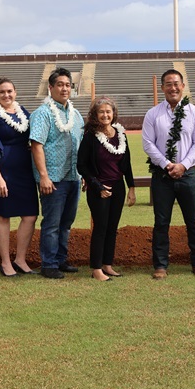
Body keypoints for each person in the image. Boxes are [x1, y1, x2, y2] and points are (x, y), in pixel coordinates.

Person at [142, 69, 195, 279]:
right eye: (169, 84)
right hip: (162, 176)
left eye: (176, 83)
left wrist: (183, 165)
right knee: (161, 222)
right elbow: (148, 144)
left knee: (194, 220)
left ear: (182, 86)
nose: (173, 88)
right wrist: (167, 164)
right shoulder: (153, 114)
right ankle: (160, 265)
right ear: (163, 88)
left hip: (187, 174)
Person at [0, 78, 39, 277]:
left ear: (15, 92)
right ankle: (5, 263)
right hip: (1, 170)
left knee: (30, 215)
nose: (6, 95)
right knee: (3, 215)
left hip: (23, 170)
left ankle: (20, 259)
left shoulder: (23, 112)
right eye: (2, 92)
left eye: (9, 91)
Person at [30, 68, 84, 279]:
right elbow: (36, 145)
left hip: (73, 176)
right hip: (53, 178)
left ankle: (61, 260)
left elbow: (81, 144)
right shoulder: (43, 113)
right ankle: (49, 264)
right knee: (52, 223)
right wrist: (44, 176)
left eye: (67, 85)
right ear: (50, 87)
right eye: (60, 84)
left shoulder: (75, 114)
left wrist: (83, 174)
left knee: (66, 223)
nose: (64, 88)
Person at [77, 97, 137, 281]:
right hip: (99, 189)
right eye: (101, 112)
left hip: (118, 187)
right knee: (101, 227)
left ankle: (107, 265)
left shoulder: (120, 134)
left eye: (108, 111)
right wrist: (98, 187)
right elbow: (81, 165)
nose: (105, 115)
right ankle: (96, 269)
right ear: (95, 115)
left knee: (112, 227)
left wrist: (131, 187)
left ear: (113, 113)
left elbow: (127, 163)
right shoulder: (90, 136)